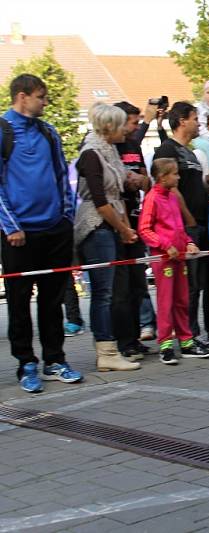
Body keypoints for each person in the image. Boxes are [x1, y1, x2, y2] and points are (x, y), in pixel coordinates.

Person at [0, 74, 82, 392]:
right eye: (41, 96)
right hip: (19, 235)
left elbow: (62, 175)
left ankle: (54, 360)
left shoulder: (48, 131)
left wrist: (66, 217)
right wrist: (12, 226)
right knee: (20, 302)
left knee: (53, 300)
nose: (46, 102)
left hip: (54, 230)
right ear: (23, 97)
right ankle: (26, 364)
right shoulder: (4, 131)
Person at [74, 103, 140, 371]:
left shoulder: (110, 151)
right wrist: (123, 228)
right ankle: (106, 351)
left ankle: (111, 348)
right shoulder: (91, 153)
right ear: (110, 127)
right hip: (96, 225)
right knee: (102, 292)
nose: (127, 129)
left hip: (111, 223)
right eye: (123, 124)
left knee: (110, 291)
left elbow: (117, 196)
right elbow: (101, 202)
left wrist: (126, 227)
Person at [154, 102, 209, 350]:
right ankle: (186, 337)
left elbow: (193, 186)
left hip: (202, 223)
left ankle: (196, 332)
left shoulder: (191, 152)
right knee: (188, 287)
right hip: (182, 228)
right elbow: (170, 189)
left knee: (198, 284)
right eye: (195, 118)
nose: (198, 123)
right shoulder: (166, 150)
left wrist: (208, 188)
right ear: (182, 120)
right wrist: (189, 219)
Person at [138, 158, 209, 364]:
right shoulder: (152, 198)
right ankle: (165, 344)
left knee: (182, 299)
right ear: (162, 177)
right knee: (166, 301)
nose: (178, 177)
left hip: (179, 257)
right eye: (175, 173)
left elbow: (179, 227)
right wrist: (163, 245)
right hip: (164, 260)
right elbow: (144, 229)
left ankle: (186, 341)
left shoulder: (171, 197)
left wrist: (188, 242)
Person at [112, 101, 152, 361]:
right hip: (116, 222)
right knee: (120, 287)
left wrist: (141, 181)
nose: (136, 127)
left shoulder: (133, 145)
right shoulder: (109, 146)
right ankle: (123, 341)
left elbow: (148, 180)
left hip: (135, 218)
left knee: (138, 283)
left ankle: (136, 338)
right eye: (133, 122)